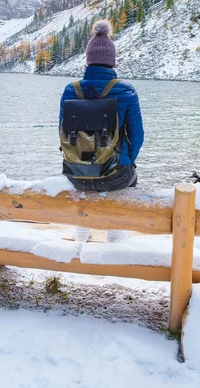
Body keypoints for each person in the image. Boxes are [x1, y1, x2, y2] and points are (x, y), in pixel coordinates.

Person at [59, 19, 144, 240]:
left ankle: (81, 239)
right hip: (116, 174)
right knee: (126, 184)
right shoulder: (126, 90)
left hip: (77, 173)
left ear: (88, 61)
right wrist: (126, 160)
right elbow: (137, 136)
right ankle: (114, 240)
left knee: (84, 192)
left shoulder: (71, 90)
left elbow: (63, 132)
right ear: (112, 62)